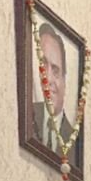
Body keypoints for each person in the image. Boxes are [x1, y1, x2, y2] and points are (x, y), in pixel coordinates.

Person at [32, 23, 74, 154]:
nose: (48, 78)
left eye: (55, 70)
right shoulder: (28, 114)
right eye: (43, 66)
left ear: (64, 81)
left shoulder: (74, 141)